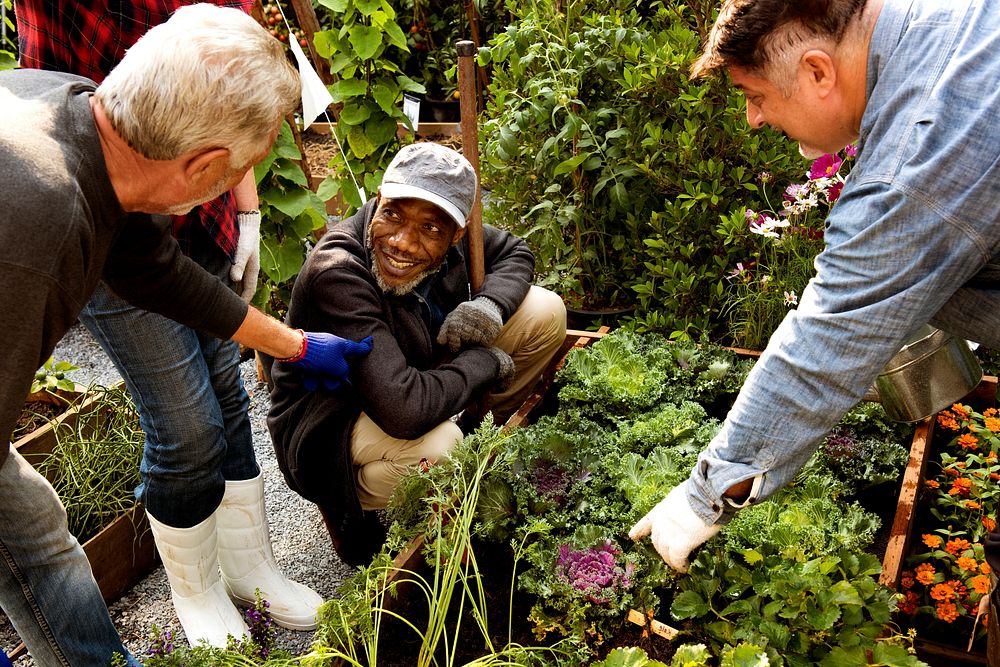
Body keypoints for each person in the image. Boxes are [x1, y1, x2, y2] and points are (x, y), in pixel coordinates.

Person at [0, 5, 373, 664]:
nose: (236, 192)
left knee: (33, 529)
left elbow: (159, 273)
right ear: (204, 168)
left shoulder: (83, 116)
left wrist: (295, 344)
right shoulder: (43, 224)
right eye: (239, 174)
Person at [629, 0, 1000, 588]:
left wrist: (704, 495)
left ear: (818, 71)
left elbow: (826, 344)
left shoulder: (921, 152)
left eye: (755, 96)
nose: (752, 119)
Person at [267, 143, 567, 566]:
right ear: (378, 200)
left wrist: (489, 306)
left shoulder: (454, 235)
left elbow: (515, 251)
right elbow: (403, 410)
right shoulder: (337, 273)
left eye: (430, 229)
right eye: (392, 215)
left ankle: (477, 438)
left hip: (414, 376)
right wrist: (481, 365)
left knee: (545, 310)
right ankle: (366, 506)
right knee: (441, 446)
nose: (403, 242)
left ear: (457, 234)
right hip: (334, 423)